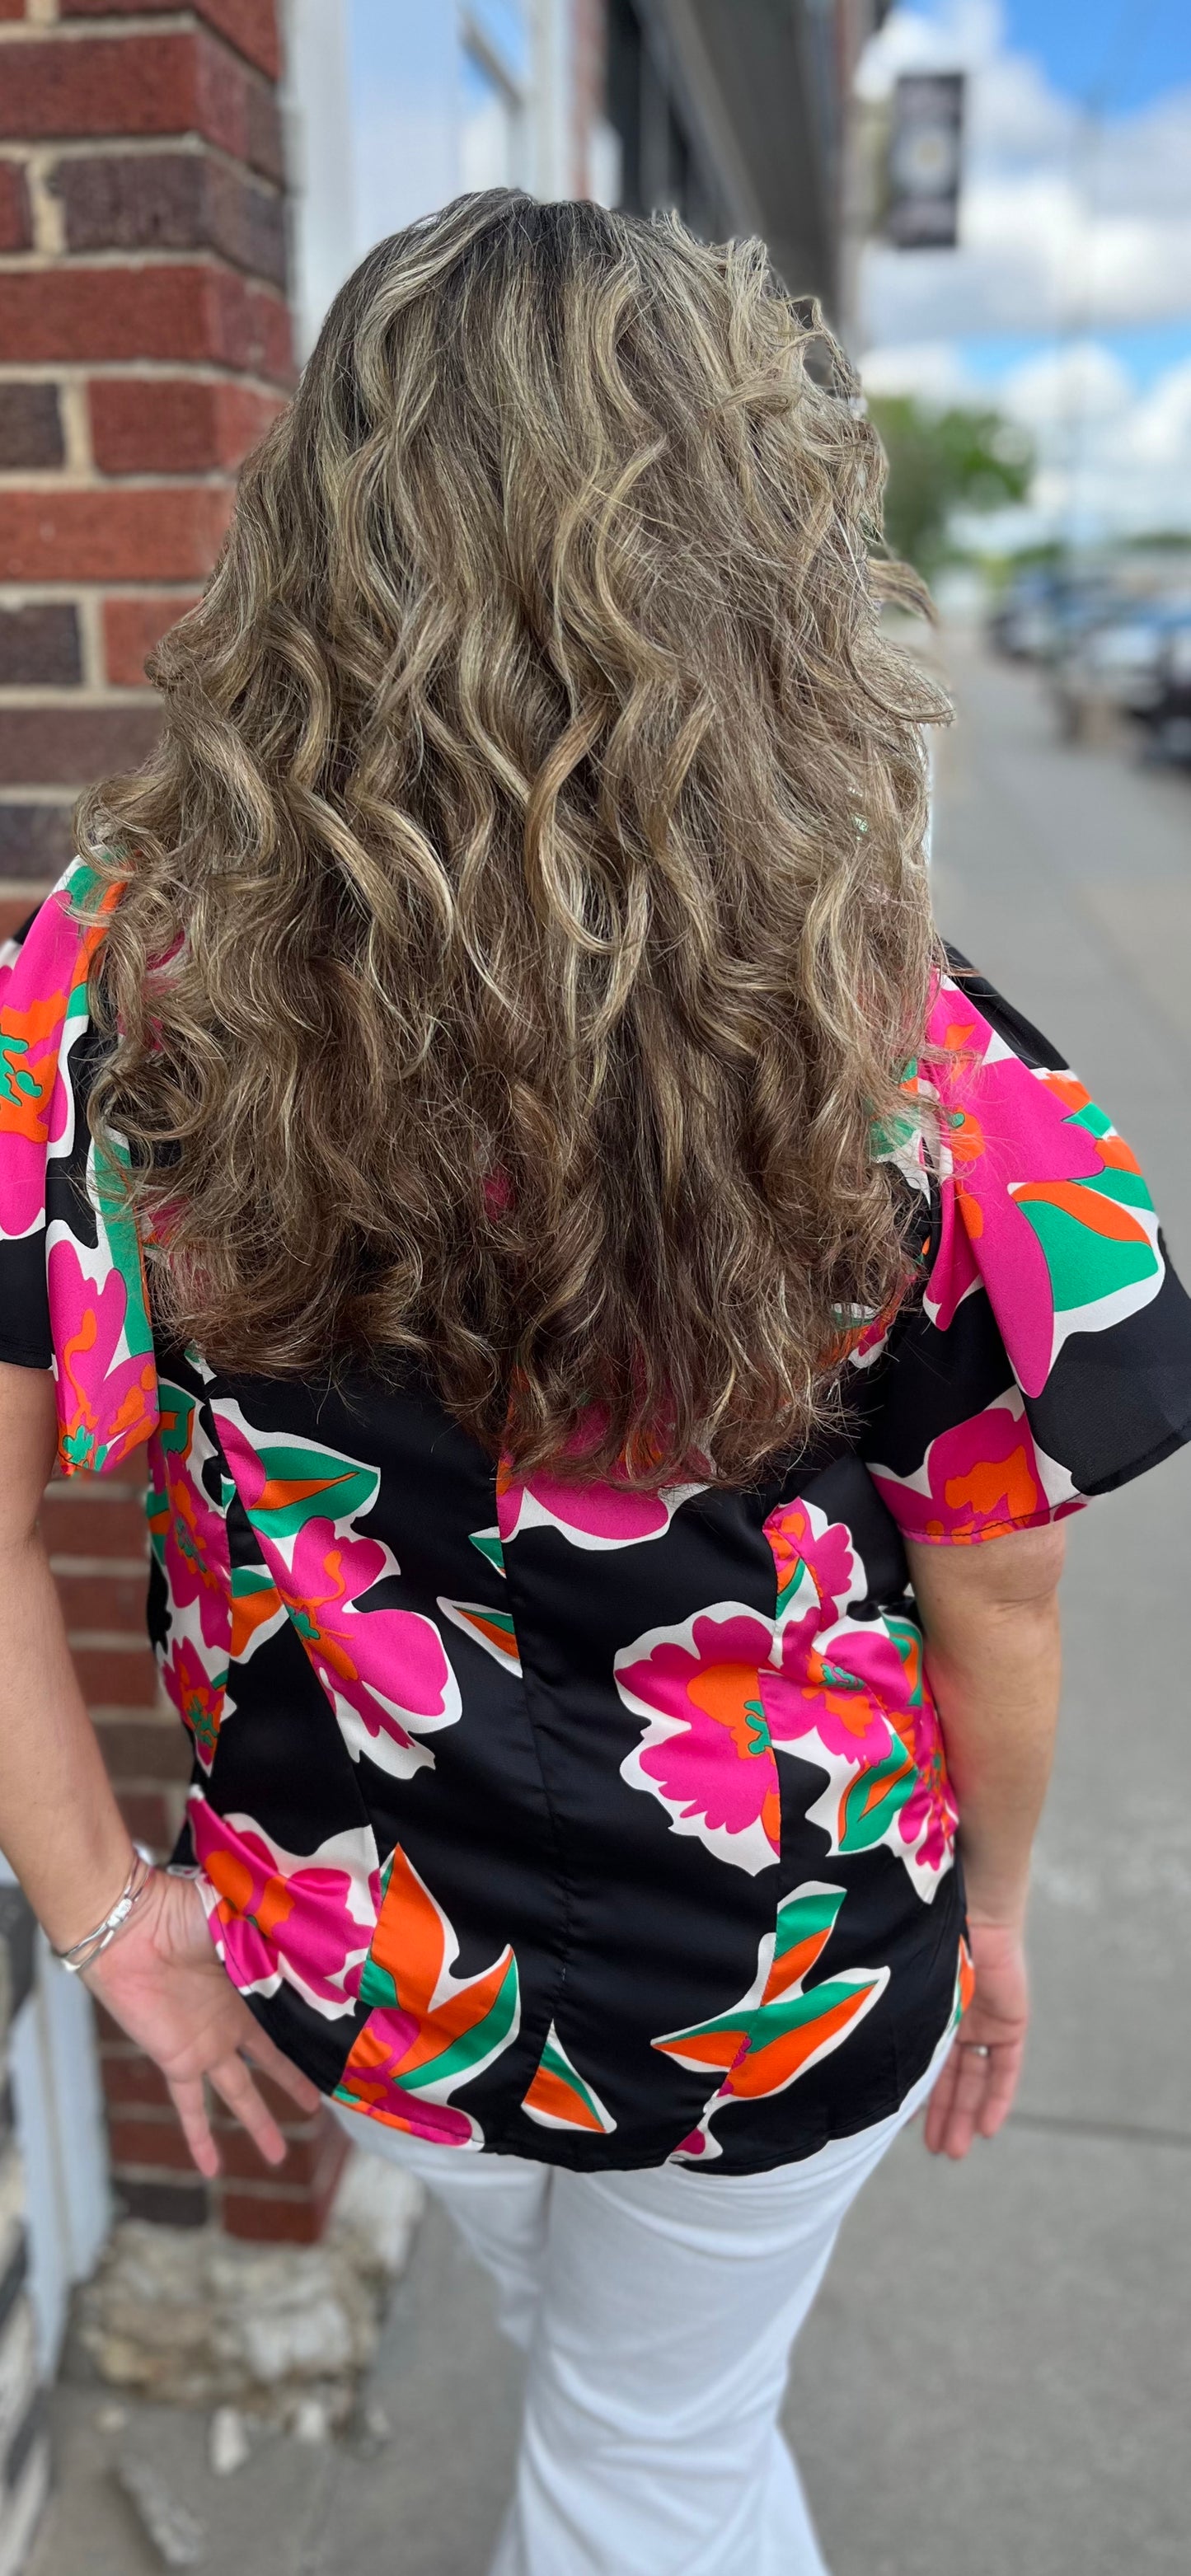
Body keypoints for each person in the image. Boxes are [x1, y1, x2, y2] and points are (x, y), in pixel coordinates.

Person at [1, 193, 1189, 2576]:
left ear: (315, 550)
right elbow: (1003, 1601)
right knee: (649, 2451)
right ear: (752, 564)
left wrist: (106, 1916)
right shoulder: (905, 1054)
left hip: (359, 1959)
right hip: (786, 1967)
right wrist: (999, 1916)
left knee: (636, 2419)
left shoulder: (112, 991)